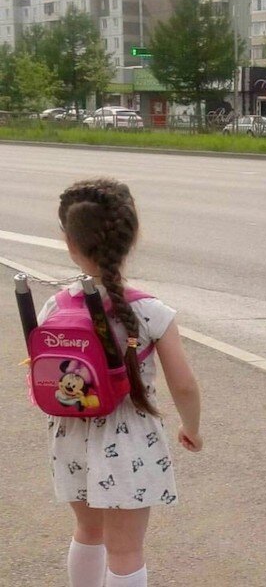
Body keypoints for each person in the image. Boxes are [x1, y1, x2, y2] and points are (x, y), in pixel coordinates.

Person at [38, 178, 203, 587]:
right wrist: (192, 427)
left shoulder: (54, 306)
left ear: (69, 242)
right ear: (131, 237)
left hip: (71, 434)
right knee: (126, 551)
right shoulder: (151, 312)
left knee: (87, 531)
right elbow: (184, 385)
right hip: (129, 440)